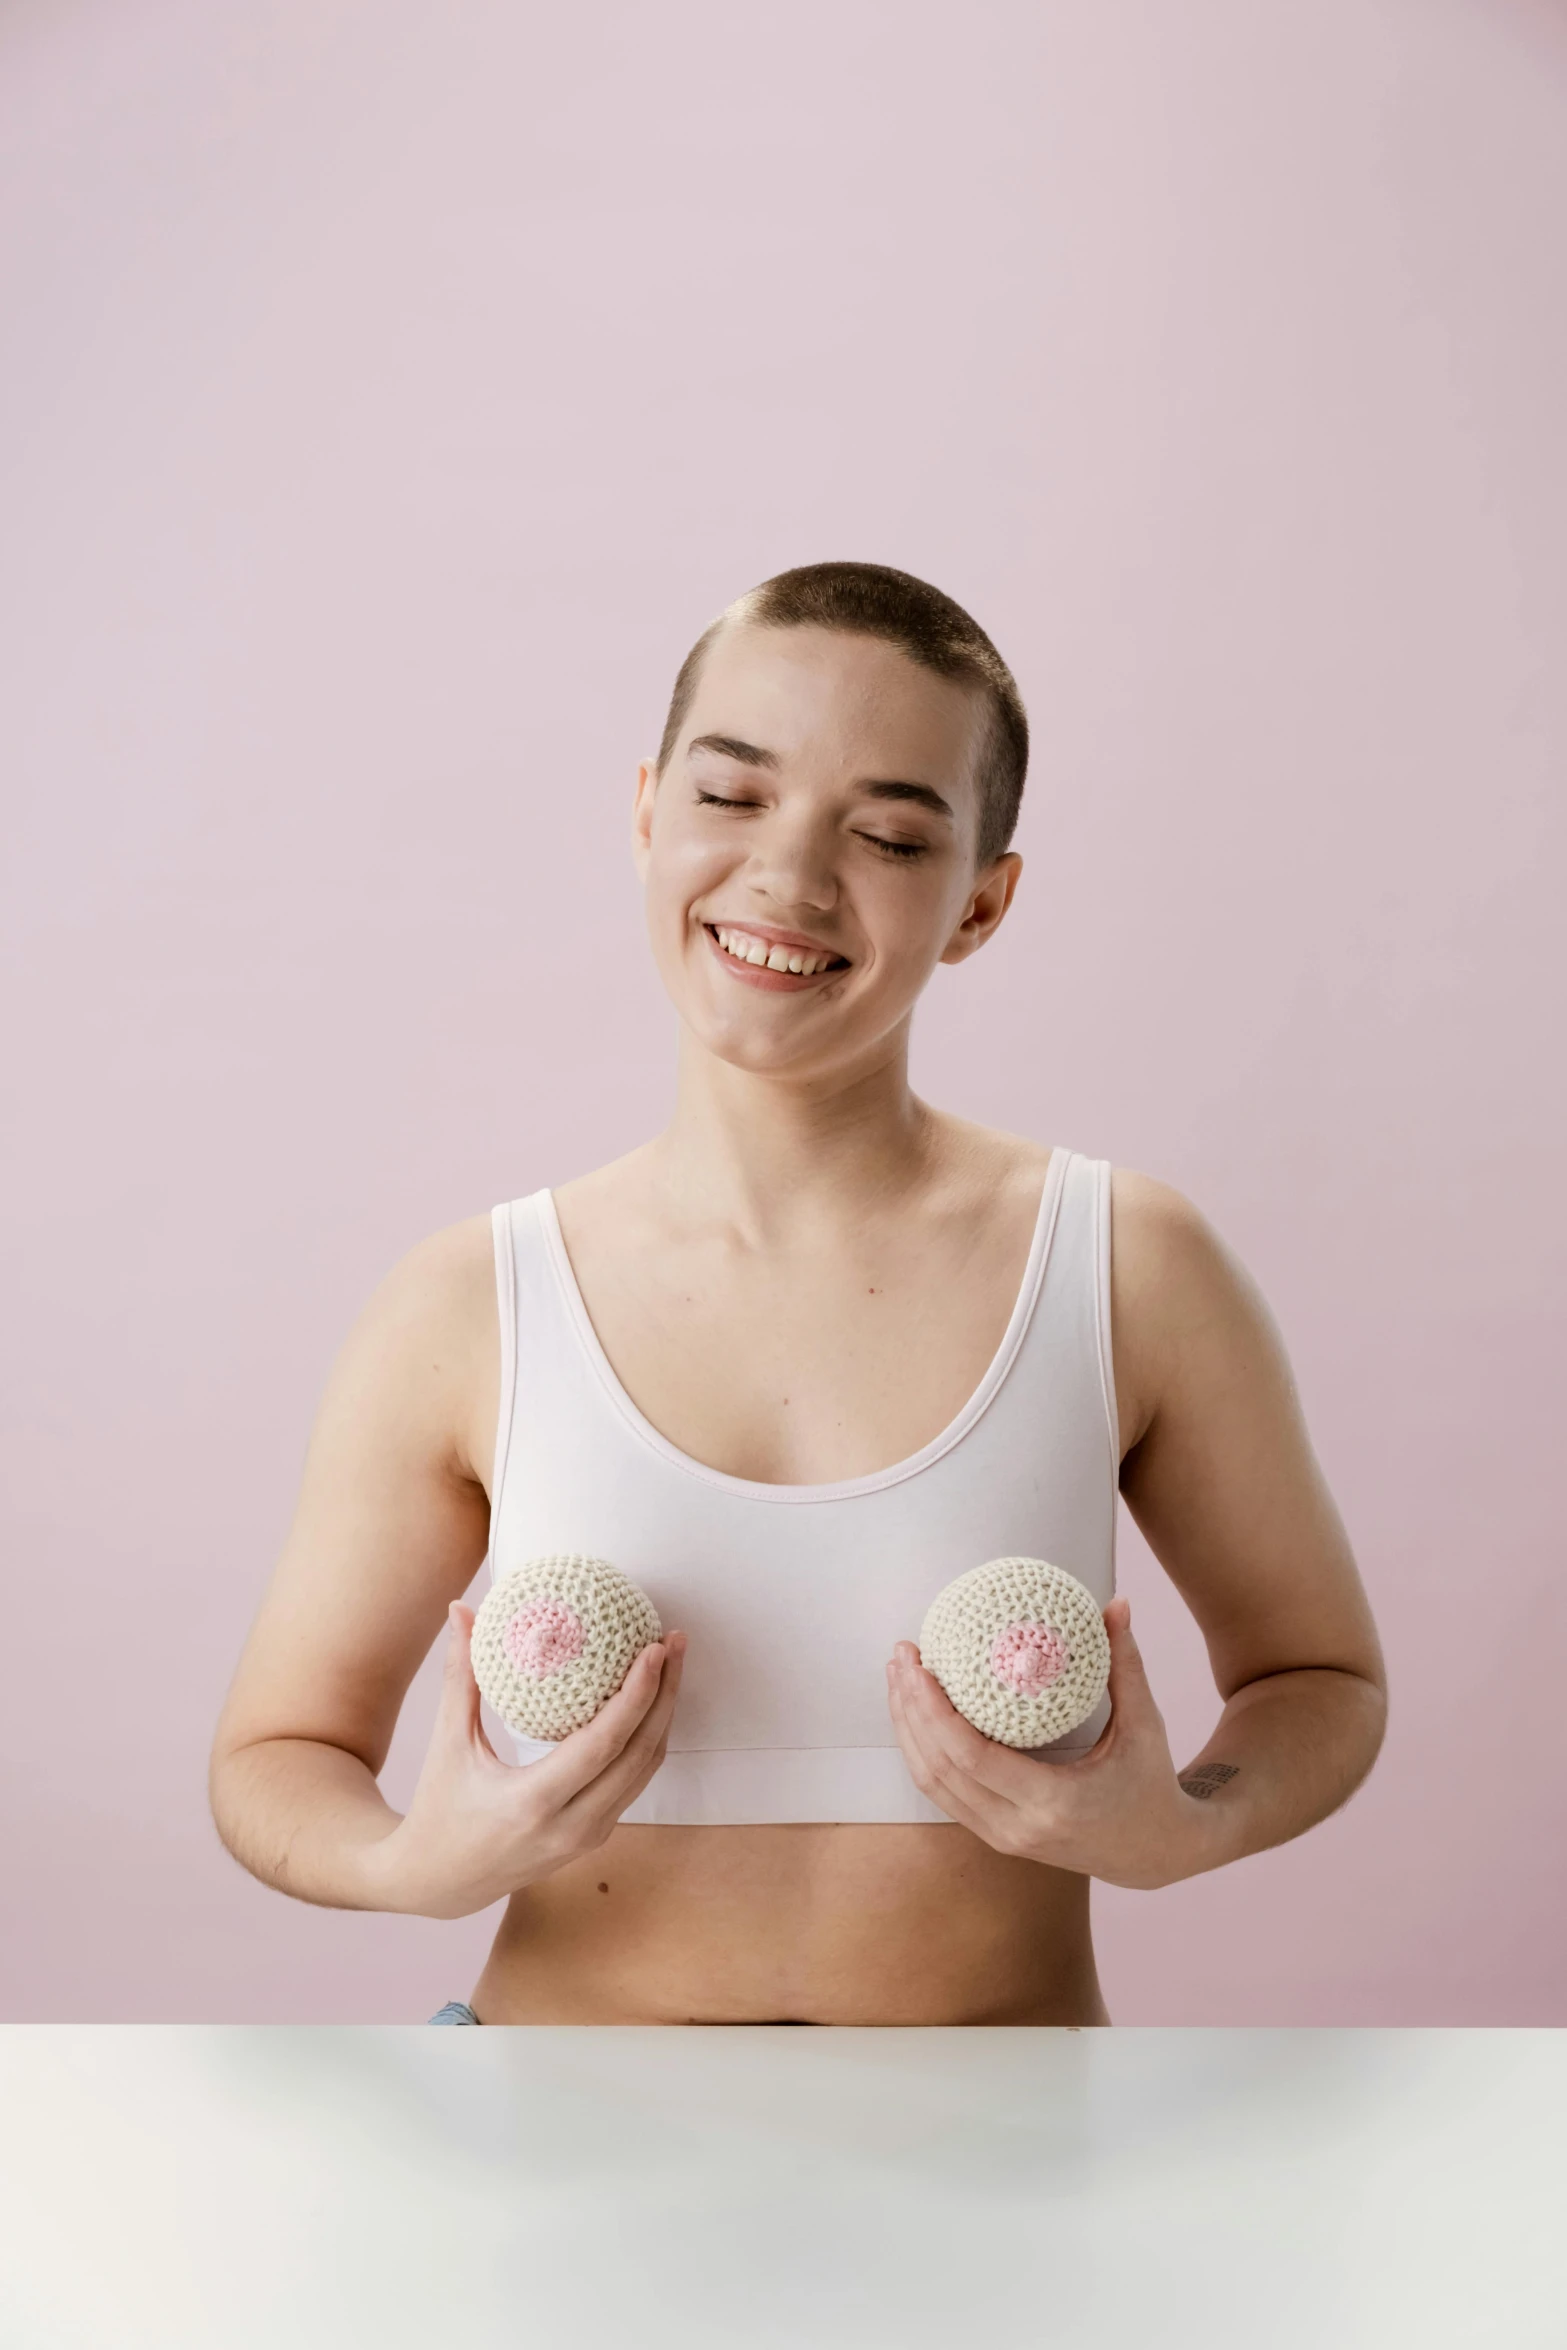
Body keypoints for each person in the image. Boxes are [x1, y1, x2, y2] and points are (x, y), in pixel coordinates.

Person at [207, 561, 1386, 2026]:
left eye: (889, 833)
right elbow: (276, 1753)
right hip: (552, 2156)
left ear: (979, 903)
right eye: (730, 795)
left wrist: (1185, 1824)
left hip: (1004, 2161)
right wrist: (411, 1865)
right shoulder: (467, 1304)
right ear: (645, 813)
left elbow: (1319, 1675)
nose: (789, 875)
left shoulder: (1126, 1264)